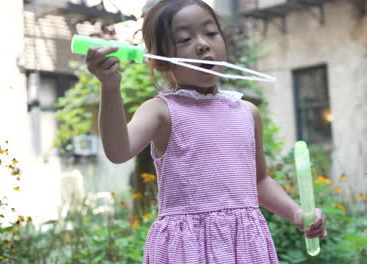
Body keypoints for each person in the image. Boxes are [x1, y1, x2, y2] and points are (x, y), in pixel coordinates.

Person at [85, 0, 327, 263]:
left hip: (244, 245)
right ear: (161, 61)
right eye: (184, 39)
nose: (202, 44)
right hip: (187, 249)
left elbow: (258, 181)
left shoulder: (247, 113)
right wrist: (109, 86)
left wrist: (296, 213)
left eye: (211, 33)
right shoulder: (161, 111)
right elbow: (119, 151)